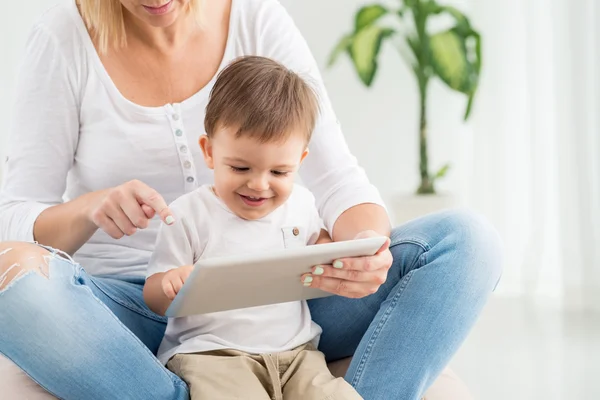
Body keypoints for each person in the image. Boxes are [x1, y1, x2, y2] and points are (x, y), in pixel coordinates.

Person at [0, 0, 503, 399]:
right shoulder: (63, 38)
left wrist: (364, 250)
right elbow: (15, 217)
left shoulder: (256, 18)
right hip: (135, 308)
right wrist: (90, 208)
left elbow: (339, 180)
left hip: (287, 298)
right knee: (12, 284)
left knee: (467, 242)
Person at [143, 54, 362, 399]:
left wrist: (333, 249)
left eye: (278, 172)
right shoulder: (189, 214)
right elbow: (153, 295)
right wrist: (169, 284)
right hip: (213, 355)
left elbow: (318, 242)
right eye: (241, 168)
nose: (259, 185)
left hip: (297, 354)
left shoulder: (301, 205)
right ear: (210, 151)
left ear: (299, 162)